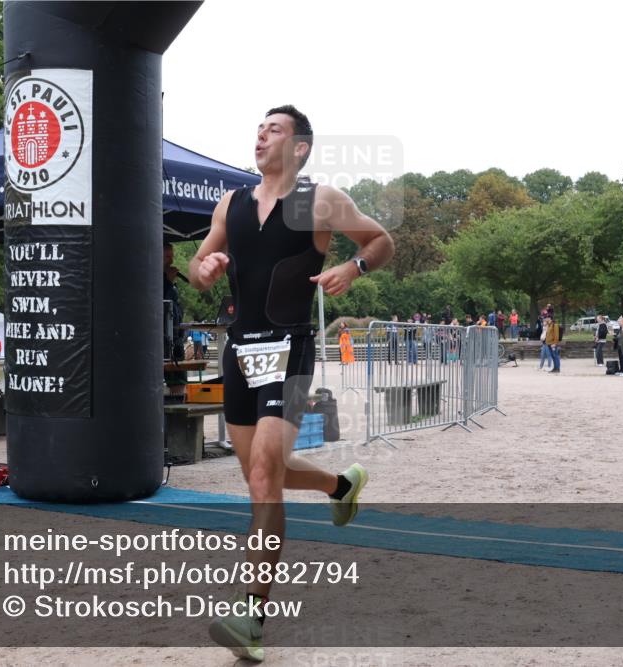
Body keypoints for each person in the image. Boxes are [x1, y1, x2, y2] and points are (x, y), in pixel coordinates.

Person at [187, 105, 394, 662]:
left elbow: (381, 241)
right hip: (240, 352)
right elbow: (198, 260)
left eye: (274, 129)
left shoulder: (319, 201)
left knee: (263, 476)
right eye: (259, 128)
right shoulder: (230, 203)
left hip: (290, 348)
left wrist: (355, 268)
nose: (261, 135)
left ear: (299, 147)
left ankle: (251, 615)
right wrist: (201, 268)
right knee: (264, 474)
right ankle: (340, 487)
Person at [163, 242, 187, 400]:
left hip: (175, 340)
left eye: (172, 256)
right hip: (162, 342)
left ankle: (179, 419)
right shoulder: (153, 279)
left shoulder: (170, 283)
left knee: (178, 386)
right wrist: (168, 282)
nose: (171, 261)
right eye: (167, 257)